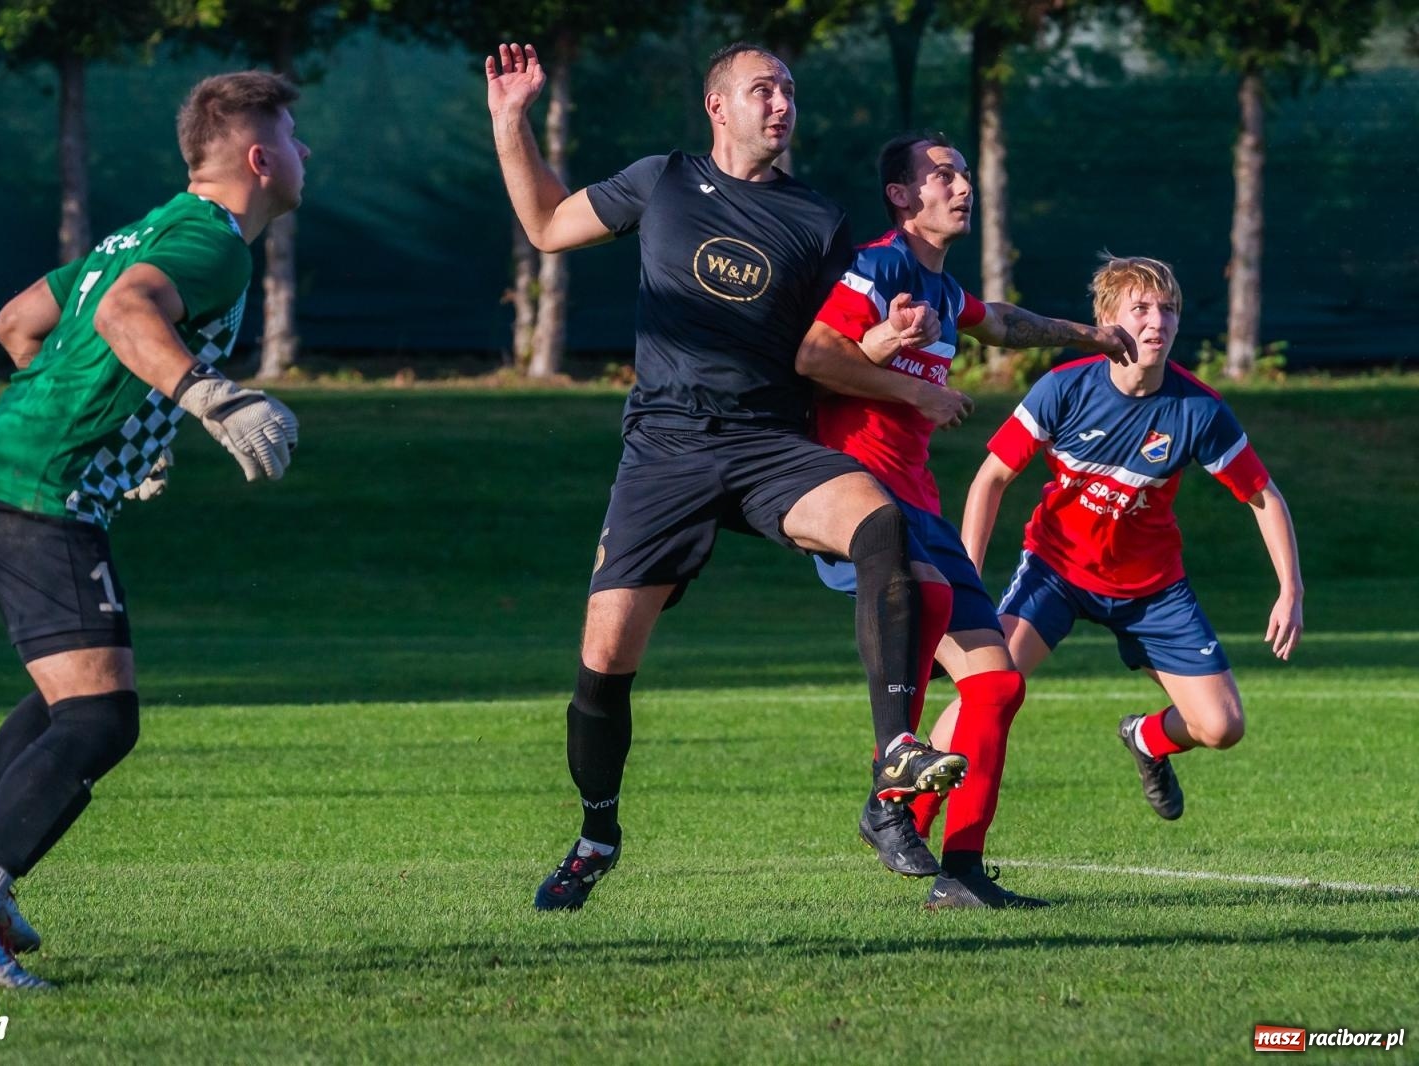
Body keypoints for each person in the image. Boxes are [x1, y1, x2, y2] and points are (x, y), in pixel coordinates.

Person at [485, 42, 968, 912]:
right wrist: (509, 119)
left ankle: (895, 756)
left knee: (877, 520)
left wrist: (882, 347)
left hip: (768, 443)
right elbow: (548, 227)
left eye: (788, 90)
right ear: (718, 106)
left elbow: (826, 352)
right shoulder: (662, 180)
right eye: (762, 90)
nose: (781, 103)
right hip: (665, 445)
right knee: (602, 661)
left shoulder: (818, 219)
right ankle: (598, 832)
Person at [0, 71, 310, 987]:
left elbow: (19, 324)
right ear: (259, 158)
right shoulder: (213, 246)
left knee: (63, 703)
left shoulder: (148, 228)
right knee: (101, 717)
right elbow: (128, 314)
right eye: (293, 134)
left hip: (4, 467)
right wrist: (208, 397)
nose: (305, 152)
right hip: (40, 490)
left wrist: (134, 419)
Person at [793, 132, 1137, 908]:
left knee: (997, 685)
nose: (960, 185)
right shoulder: (881, 264)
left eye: (964, 174)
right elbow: (815, 356)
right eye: (941, 174)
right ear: (901, 195)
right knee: (936, 607)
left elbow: (1001, 323)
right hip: (861, 495)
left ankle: (963, 869)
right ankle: (887, 799)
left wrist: (1091, 336)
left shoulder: (943, 291)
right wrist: (914, 387)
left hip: (919, 501)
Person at [959, 253, 1302, 833]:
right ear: (1109, 320)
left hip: (1152, 590)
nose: (1157, 322)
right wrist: (968, 576)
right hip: (1056, 572)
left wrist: (1289, 589)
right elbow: (990, 478)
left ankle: (1146, 737)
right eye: (1140, 308)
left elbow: (1264, 496)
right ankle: (905, 810)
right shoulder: (1062, 388)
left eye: (1167, 310)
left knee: (1221, 728)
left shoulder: (1198, 409)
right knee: (988, 689)